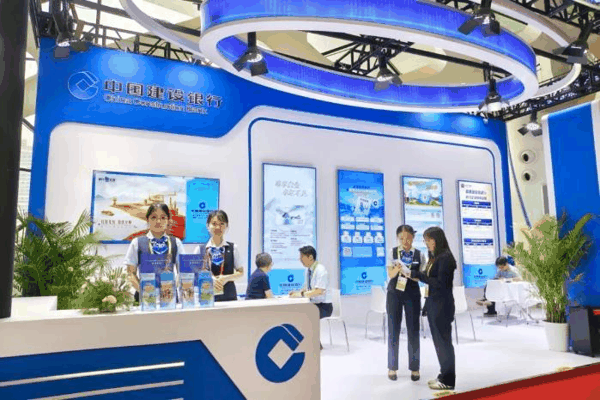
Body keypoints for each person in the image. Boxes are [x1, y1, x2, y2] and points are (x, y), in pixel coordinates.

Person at [400, 226, 456, 390]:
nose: (426, 244)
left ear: (437, 240)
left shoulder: (445, 258)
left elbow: (440, 283)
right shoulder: (435, 257)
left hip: (442, 305)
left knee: (444, 343)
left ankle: (448, 380)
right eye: (425, 241)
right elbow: (430, 280)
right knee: (439, 342)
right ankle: (443, 375)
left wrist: (418, 275)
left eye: (428, 240)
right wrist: (414, 274)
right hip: (433, 303)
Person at [386, 225, 427, 382]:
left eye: (408, 238)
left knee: (413, 330)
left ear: (413, 238)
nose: (405, 241)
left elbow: (421, 276)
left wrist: (410, 273)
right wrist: (397, 269)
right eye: (401, 238)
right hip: (394, 293)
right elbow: (390, 274)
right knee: (393, 329)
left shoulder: (419, 254)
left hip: (412, 293)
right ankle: (392, 367)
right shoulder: (392, 252)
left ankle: (415, 367)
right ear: (398, 238)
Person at [124, 203, 185, 303]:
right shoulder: (137, 242)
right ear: (147, 219)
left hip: (169, 298)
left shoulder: (176, 242)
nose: (158, 221)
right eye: (153, 217)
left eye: (163, 218)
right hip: (144, 298)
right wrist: (143, 292)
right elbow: (130, 273)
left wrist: (172, 289)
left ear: (168, 220)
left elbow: (182, 272)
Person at [194, 210, 244, 302]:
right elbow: (195, 273)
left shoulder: (232, 248)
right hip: (207, 296)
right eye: (214, 224)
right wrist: (210, 278)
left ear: (226, 226)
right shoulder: (200, 250)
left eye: (222, 224)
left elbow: (241, 272)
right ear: (208, 226)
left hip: (229, 296)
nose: (218, 227)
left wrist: (226, 278)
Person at [289, 246, 333, 349]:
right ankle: (310, 344)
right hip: (314, 304)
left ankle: (315, 345)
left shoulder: (321, 270)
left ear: (310, 257)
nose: (300, 260)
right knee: (298, 313)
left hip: (324, 307)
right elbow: (307, 288)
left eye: (302, 257)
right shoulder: (309, 270)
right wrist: (297, 293)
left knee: (305, 316)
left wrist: (301, 295)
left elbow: (319, 291)